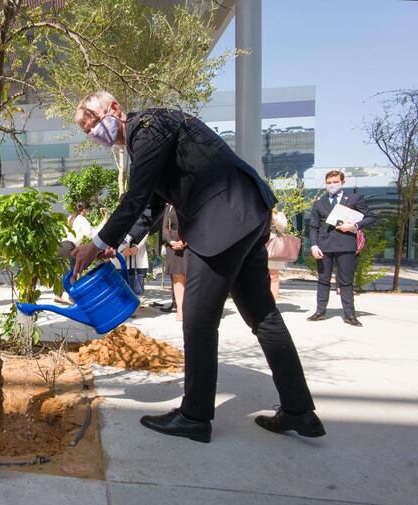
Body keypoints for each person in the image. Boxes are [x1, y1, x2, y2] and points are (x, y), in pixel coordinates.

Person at [71, 91, 324, 443]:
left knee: (199, 319)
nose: (95, 132)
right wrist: (120, 244)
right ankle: (299, 411)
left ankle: (194, 416)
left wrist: (96, 243)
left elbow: (137, 195)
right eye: (88, 131)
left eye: (95, 122)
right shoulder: (147, 137)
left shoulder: (148, 126)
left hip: (221, 220)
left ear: (114, 108)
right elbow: (152, 204)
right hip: (247, 214)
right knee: (263, 315)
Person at [307, 170, 376, 327]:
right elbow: (313, 226)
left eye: (335, 182)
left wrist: (354, 225)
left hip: (346, 245)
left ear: (342, 182)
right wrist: (313, 245)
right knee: (323, 280)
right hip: (323, 247)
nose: (332, 185)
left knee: (346, 281)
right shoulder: (319, 203)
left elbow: (371, 217)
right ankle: (320, 312)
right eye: (329, 183)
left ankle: (350, 314)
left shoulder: (354, 198)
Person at [161, 204, 187, 321]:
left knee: (190, 277)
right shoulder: (169, 206)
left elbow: (199, 224)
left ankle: (191, 310)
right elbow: (165, 228)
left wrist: (186, 241)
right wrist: (171, 241)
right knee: (177, 277)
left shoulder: (192, 198)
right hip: (173, 245)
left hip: (190, 242)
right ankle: (180, 310)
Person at [267, 207, 289, 301]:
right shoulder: (258, 211)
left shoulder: (279, 214)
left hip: (275, 247)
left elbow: (283, 228)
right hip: (259, 246)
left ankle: (272, 303)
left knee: (274, 276)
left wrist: (274, 218)